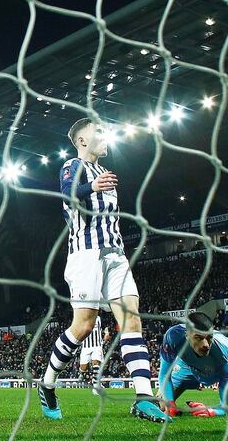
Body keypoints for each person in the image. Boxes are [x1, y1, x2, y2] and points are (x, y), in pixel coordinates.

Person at [38, 118, 169, 423]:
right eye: (98, 131)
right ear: (82, 140)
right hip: (86, 254)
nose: (104, 135)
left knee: (132, 320)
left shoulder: (106, 173)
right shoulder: (73, 165)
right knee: (84, 326)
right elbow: (68, 193)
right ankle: (47, 384)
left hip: (116, 255)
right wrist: (91, 186)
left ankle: (143, 397)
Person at [158, 312, 228, 417]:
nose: (205, 345)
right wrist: (170, 402)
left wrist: (211, 411)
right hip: (188, 367)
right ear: (186, 335)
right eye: (199, 338)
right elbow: (164, 375)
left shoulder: (227, 355)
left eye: (209, 337)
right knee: (162, 404)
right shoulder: (173, 337)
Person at [78, 316, 109, 396]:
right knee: (83, 368)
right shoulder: (82, 317)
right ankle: (83, 374)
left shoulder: (99, 318)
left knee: (96, 363)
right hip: (85, 346)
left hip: (97, 345)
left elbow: (106, 328)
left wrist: (106, 333)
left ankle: (95, 386)